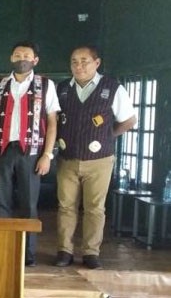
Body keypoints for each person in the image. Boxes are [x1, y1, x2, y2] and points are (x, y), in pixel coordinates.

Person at [54, 46, 136, 269]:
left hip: (100, 160)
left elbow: (129, 120)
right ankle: (65, 250)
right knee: (66, 207)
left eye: (84, 61)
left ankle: (91, 252)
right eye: (74, 62)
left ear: (96, 63)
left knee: (95, 208)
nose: (78, 66)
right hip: (67, 158)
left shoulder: (112, 88)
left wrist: (107, 136)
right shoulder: (62, 89)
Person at [0, 41, 60, 267]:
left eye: (26, 55)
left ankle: (28, 254)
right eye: (17, 54)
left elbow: (52, 122)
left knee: (29, 204)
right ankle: (4, 250)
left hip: (32, 153)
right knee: (2, 202)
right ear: (11, 58)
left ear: (35, 60)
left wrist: (47, 155)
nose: (21, 58)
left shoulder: (45, 85)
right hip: (2, 151)